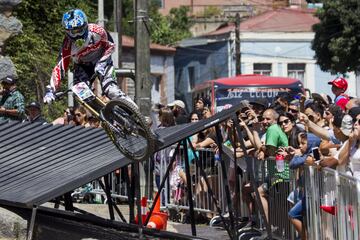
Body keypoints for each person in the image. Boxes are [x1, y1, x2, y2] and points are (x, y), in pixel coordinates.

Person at [43, 9, 133, 105]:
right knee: (82, 93)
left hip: (102, 60)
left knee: (111, 90)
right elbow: (59, 68)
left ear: (85, 25)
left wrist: (101, 63)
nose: (77, 34)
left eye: (80, 30)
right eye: (73, 31)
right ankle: (102, 113)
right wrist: (51, 91)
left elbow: (111, 46)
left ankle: (136, 111)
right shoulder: (67, 46)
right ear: (67, 31)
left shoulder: (97, 31)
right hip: (83, 66)